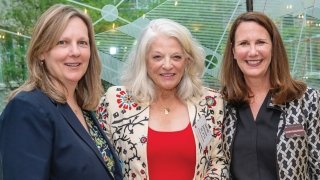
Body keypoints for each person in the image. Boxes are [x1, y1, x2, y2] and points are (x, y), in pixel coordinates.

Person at [0, 4, 123, 180]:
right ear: (42, 51)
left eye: (82, 43)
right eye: (62, 42)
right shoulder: (26, 108)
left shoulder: (82, 106)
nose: (75, 52)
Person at [97, 18, 228, 179]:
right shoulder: (116, 101)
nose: (167, 65)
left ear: (187, 61)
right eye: (157, 57)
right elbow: (101, 162)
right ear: (144, 60)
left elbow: (219, 161)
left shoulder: (210, 102)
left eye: (176, 57)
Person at [220, 11, 320, 179]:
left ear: (273, 47)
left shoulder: (307, 100)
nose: (253, 52)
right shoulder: (220, 105)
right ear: (233, 51)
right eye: (244, 43)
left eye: (260, 42)